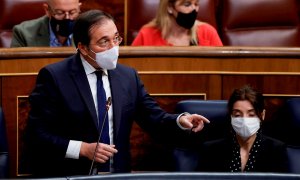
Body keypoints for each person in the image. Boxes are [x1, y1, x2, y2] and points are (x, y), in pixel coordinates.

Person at [23, 9, 210, 177]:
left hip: (117, 175)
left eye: (116, 38)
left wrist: (180, 121)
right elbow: (36, 135)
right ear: (82, 47)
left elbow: (154, 118)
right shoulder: (55, 77)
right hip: (70, 174)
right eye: (104, 42)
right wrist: (82, 149)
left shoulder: (128, 77)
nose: (113, 47)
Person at [198, 85, 288, 172]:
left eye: (251, 115)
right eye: (238, 115)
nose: (245, 120)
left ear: (262, 115)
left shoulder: (276, 150)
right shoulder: (212, 150)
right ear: (231, 116)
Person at [131, 0, 222, 46]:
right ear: (170, 7)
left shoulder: (208, 32)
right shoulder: (146, 35)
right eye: (187, 4)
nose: (194, 9)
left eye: (196, 4)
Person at [10, 0, 81, 47]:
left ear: (79, 8)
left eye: (72, 12)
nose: (67, 18)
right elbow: (16, 66)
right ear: (47, 10)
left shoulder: (88, 30)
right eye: (59, 13)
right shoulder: (23, 33)